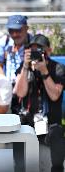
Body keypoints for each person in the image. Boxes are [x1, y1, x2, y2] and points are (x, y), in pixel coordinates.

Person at [13, 34, 65, 172]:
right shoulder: (24, 68)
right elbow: (20, 93)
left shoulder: (58, 68)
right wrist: (25, 66)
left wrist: (44, 72)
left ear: (49, 50)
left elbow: (54, 95)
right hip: (29, 122)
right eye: (33, 50)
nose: (37, 54)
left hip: (52, 124)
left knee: (57, 145)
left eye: (40, 50)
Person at [0, 15, 32, 114]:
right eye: (11, 31)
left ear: (26, 28)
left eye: (18, 30)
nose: (15, 34)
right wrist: (5, 83)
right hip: (9, 86)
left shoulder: (33, 42)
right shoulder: (4, 41)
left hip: (28, 87)